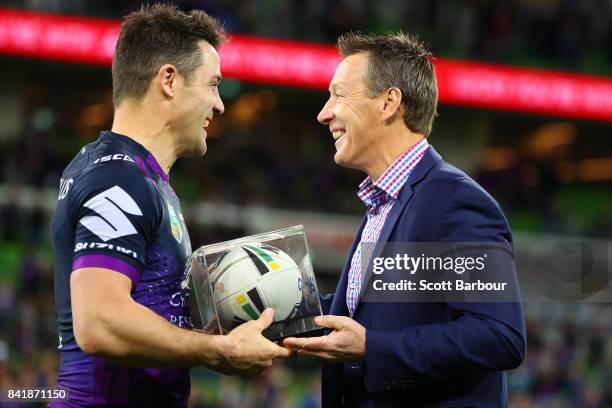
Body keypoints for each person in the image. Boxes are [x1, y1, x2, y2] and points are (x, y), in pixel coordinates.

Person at [49, 4, 290, 407]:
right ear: (169, 80)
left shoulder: (135, 176)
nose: (220, 105)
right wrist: (220, 350)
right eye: (213, 85)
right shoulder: (118, 178)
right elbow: (99, 322)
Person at [283, 32, 526, 407]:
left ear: (388, 103)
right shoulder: (384, 202)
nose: (324, 112)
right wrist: (276, 303)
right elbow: (375, 308)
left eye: (339, 94)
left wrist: (372, 347)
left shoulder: (455, 202)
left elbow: (499, 335)